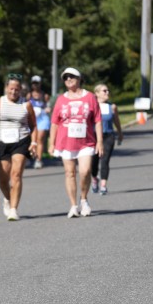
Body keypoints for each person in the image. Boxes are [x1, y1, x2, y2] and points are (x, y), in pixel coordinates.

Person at [48, 67, 103, 218]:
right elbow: (54, 123)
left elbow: (98, 120)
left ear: (79, 79)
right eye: (65, 77)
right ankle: (73, 205)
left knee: (85, 171)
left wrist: (100, 141)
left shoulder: (90, 97)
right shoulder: (61, 99)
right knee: (70, 173)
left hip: (86, 142)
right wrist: (51, 143)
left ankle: (84, 199)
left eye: (71, 76)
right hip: (65, 142)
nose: (68, 79)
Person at [0, 74, 37, 221]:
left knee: (16, 175)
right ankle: (8, 199)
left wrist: (34, 142)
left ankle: (13, 209)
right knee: (3, 179)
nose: (14, 92)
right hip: (3, 143)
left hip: (21, 141)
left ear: (21, 90)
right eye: (11, 88)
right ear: (6, 88)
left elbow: (33, 126)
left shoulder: (26, 104)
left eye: (17, 89)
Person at [90, 83, 123, 195]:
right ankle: (94, 178)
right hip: (94, 137)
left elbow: (116, 121)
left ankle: (103, 185)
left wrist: (120, 133)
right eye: (104, 91)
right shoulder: (92, 107)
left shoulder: (112, 107)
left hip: (108, 136)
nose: (107, 92)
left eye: (108, 90)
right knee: (93, 162)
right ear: (97, 93)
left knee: (105, 160)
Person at [28, 75, 51, 168]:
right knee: (30, 139)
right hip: (31, 119)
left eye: (37, 83)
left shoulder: (45, 96)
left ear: (40, 84)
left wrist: (45, 110)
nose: (35, 85)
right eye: (34, 83)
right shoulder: (29, 95)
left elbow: (48, 107)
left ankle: (38, 160)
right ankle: (29, 157)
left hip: (42, 119)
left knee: (39, 139)